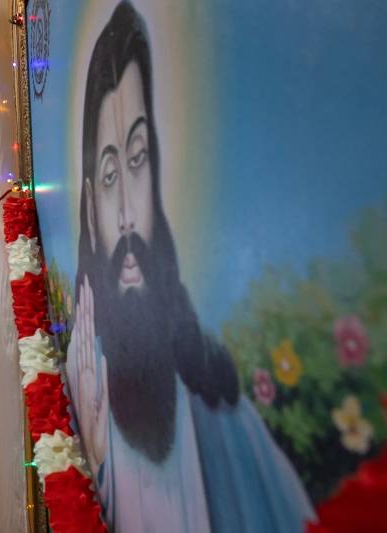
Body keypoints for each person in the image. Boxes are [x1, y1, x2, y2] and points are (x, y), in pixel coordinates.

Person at [67, 2, 315, 532]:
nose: (130, 215)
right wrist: (93, 455)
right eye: (110, 176)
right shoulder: (82, 376)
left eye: (137, 160)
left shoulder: (215, 404)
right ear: (89, 207)